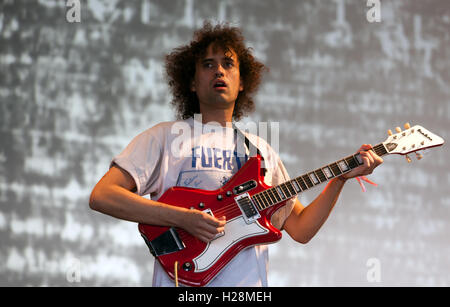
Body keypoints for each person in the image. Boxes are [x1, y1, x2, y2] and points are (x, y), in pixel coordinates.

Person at [89, 22, 383, 287]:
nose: (219, 70)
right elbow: (103, 195)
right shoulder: (164, 137)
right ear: (191, 82)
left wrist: (340, 179)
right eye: (208, 64)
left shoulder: (260, 150)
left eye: (228, 63)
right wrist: (183, 218)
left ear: (242, 81)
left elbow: (300, 228)